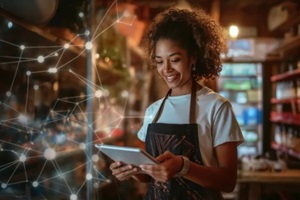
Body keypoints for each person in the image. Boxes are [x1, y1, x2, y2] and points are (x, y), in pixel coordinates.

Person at [110, 6, 244, 200]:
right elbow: (148, 175)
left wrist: (183, 166)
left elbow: (228, 181)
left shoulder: (217, 107)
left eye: (175, 59)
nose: (166, 69)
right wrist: (130, 170)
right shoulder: (153, 111)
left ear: (193, 58)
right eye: (159, 61)